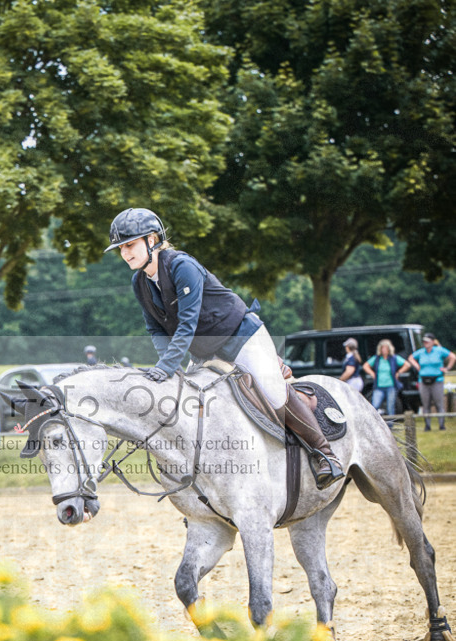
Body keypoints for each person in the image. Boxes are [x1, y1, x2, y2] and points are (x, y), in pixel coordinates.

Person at [105, 207, 344, 489]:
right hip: (205, 353)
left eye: (130, 245)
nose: (124, 253)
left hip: (241, 337)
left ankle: (325, 455)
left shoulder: (182, 266)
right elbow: (156, 329)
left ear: (152, 239)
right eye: (121, 248)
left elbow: (187, 323)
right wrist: (169, 368)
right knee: (189, 405)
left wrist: (166, 367)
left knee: (273, 391)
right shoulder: (140, 282)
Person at [408, 332, 456, 431]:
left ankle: (441, 425)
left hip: (437, 380)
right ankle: (427, 425)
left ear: (433, 342)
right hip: (423, 380)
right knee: (426, 404)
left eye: (427, 341)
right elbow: (411, 358)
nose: (425, 343)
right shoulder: (421, 352)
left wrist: (447, 368)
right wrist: (417, 366)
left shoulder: (439, 350)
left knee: (439, 403)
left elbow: (452, 357)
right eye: (424, 342)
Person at [361, 340, 411, 421]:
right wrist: (372, 373)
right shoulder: (377, 359)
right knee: (375, 405)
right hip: (379, 387)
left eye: (386, 348)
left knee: (390, 407)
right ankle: (374, 422)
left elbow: (407, 364)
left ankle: (391, 424)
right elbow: (365, 366)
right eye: (382, 348)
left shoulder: (393, 358)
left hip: (391, 386)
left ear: (389, 349)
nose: (384, 350)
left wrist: (398, 373)